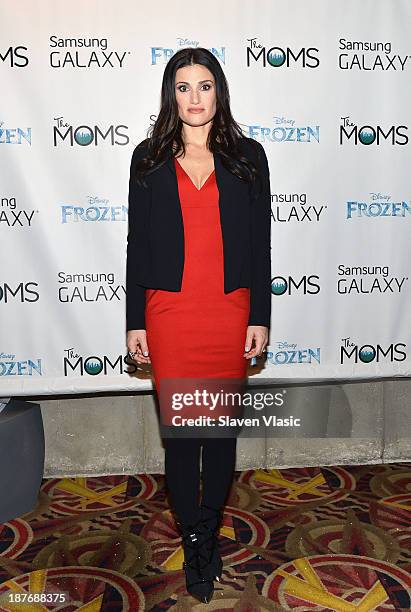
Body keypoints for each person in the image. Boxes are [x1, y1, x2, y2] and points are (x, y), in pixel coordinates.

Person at [126, 47, 271, 603]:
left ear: (219, 92)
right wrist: (135, 320)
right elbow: (138, 243)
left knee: (221, 435)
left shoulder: (248, 157)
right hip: (170, 313)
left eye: (204, 86)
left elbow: (259, 245)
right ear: (171, 95)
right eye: (182, 87)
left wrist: (260, 314)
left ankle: (207, 527)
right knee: (183, 438)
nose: (193, 97)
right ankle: (195, 541)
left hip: (229, 310)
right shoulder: (148, 159)